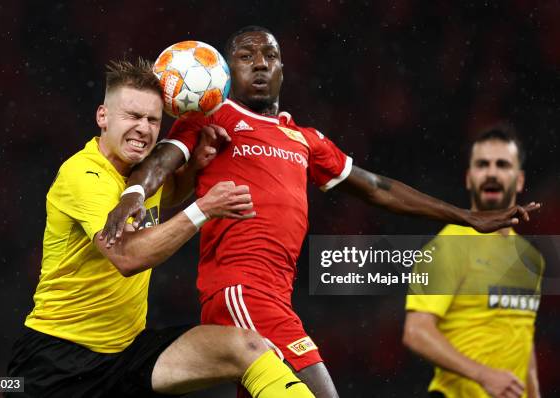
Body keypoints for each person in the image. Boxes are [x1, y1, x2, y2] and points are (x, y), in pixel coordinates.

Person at [99, 27, 539, 398]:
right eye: (245, 55)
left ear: (282, 71)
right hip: (241, 290)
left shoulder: (304, 139)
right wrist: (133, 194)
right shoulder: (214, 119)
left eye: (269, 55)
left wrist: (466, 216)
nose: (259, 63)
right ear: (225, 72)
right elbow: (162, 160)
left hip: (277, 294)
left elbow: (377, 188)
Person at [6, 58, 316, 397]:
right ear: (102, 117)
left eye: (153, 120)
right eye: (133, 116)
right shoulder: (83, 175)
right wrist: (203, 210)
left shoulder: (140, 172)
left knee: (247, 348)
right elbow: (127, 257)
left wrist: (195, 165)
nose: (144, 128)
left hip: (127, 353)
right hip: (55, 360)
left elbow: (168, 195)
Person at [403, 127, 543, 398]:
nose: (491, 172)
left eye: (502, 164)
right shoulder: (448, 245)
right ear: (469, 178)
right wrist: (483, 375)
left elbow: (524, 340)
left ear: (519, 180)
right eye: (482, 164)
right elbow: (416, 331)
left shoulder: (531, 258)